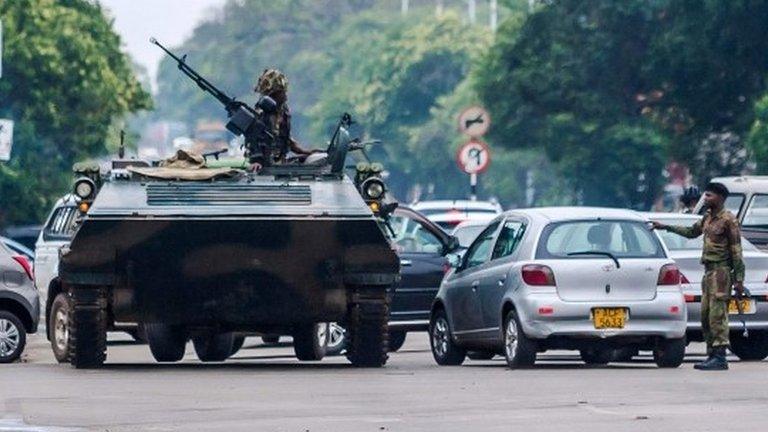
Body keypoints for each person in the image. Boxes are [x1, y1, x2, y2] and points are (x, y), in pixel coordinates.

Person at [651, 182, 745, 371]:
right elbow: (691, 232)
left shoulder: (729, 220)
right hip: (708, 271)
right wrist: (665, 227)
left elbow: (736, 251)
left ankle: (720, 356)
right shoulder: (707, 217)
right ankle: (711, 354)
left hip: (721, 272)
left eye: (709, 196)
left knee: (718, 315)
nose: (706, 199)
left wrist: (739, 280)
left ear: (719, 198)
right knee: (706, 315)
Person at [249, 69, 319, 171]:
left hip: (280, 162)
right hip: (265, 166)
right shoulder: (262, 112)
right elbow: (253, 138)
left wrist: (306, 152)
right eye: (281, 92)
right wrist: (256, 160)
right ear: (272, 94)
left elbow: (286, 139)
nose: (285, 97)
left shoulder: (283, 110)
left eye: (284, 92)